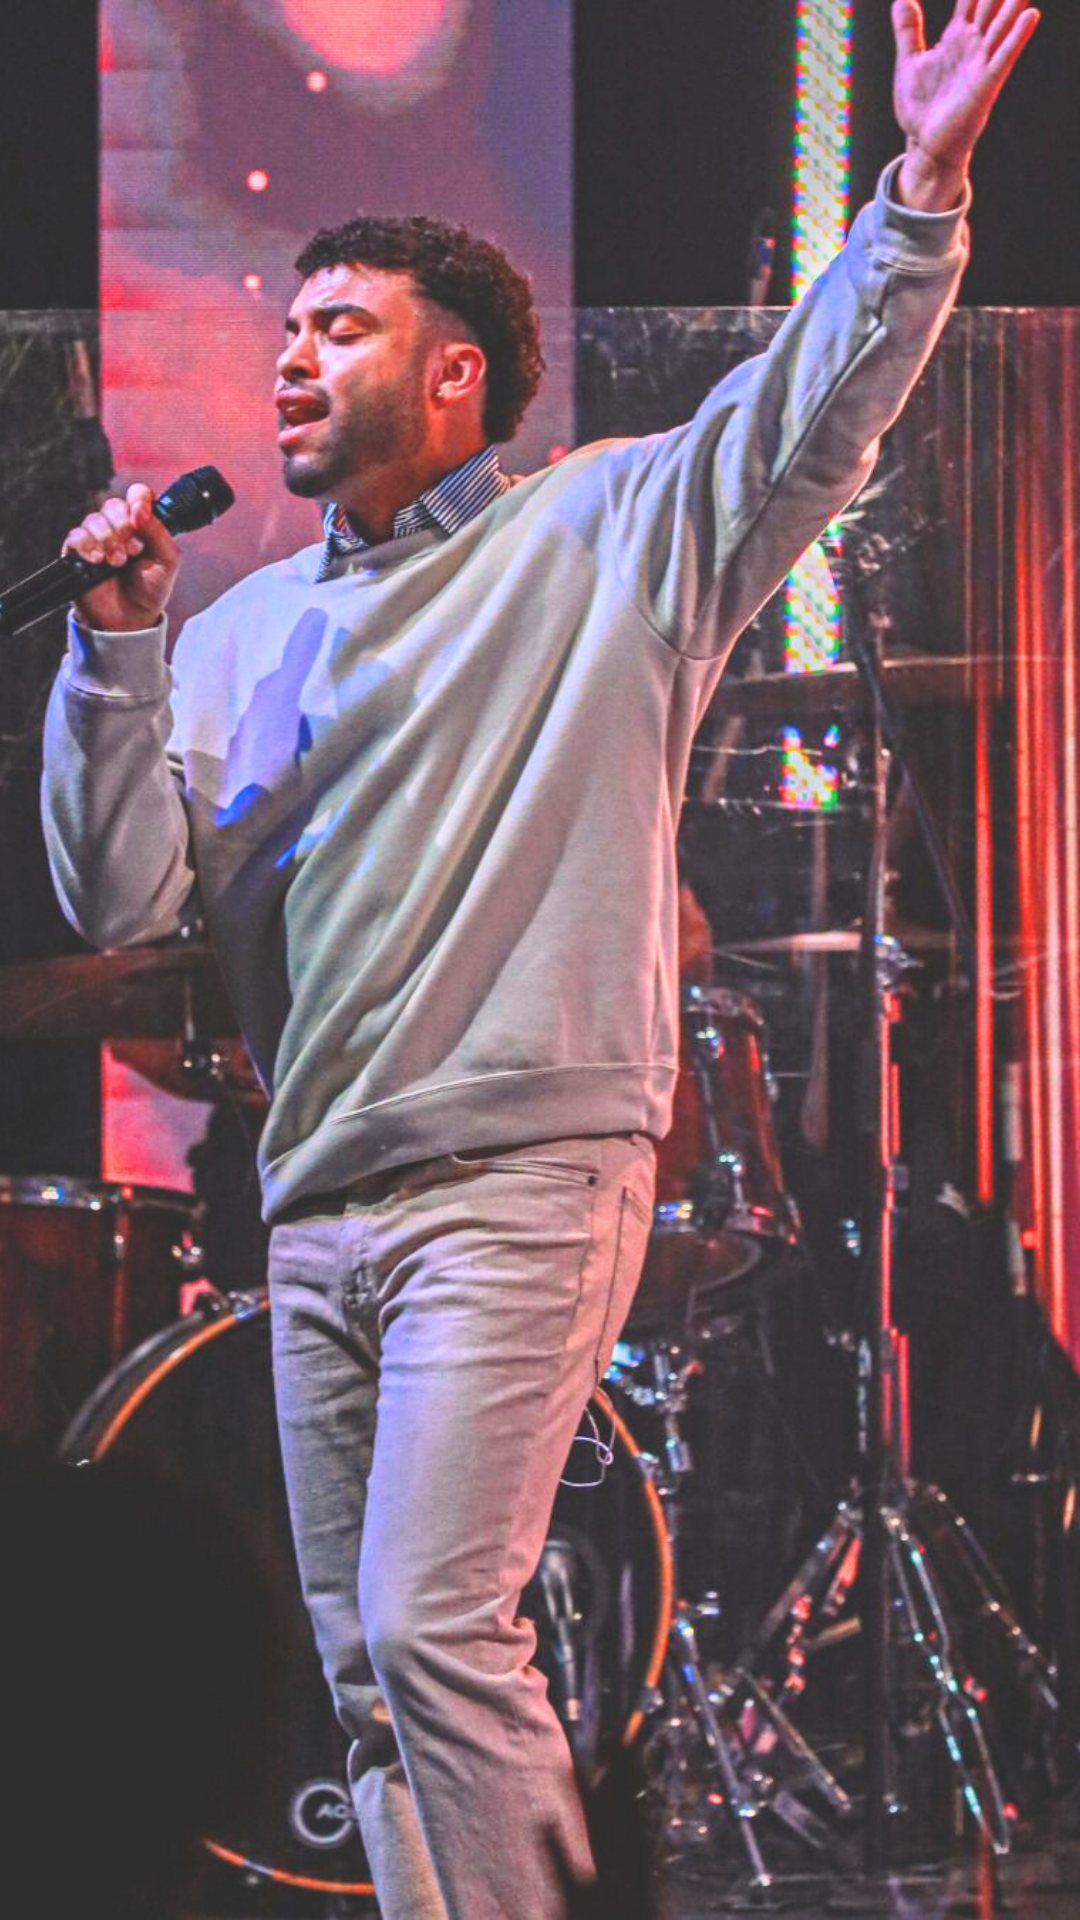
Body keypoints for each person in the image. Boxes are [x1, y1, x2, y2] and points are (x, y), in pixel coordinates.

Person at [40, 5, 1038, 1914]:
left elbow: (812, 406)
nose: (290, 357)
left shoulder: (603, 533)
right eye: (286, 328)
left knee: (435, 1628)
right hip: (318, 1203)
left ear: (458, 375)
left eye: (341, 328)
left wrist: (918, 189)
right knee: (365, 1669)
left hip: (515, 1178)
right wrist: (115, 654)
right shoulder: (234, 636)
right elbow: (117, 900)